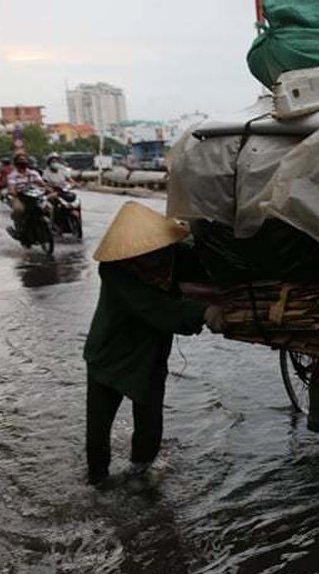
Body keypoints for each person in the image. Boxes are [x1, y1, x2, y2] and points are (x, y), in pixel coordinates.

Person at [83, 202, 225, 487]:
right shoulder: (114, 271)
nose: (152, 262)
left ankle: (140, 470)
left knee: (149, 416)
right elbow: (155, 308)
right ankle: (97, 479)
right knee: (99, 423)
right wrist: (203, 312)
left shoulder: (177, 255)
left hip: (150, 350)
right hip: (109, 352)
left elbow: (209, 270)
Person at [4, 151, 47, 239]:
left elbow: (41, 183)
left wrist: (46, 187)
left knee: (48, 206)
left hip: (34, 196)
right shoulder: (13, 175)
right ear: (16, 162)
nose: (23, 161)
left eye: (24, 159)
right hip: (20, 197)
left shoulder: (33, 173)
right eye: (20, 160)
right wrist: (13, 191)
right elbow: (11, 187)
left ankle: (49, 226)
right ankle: (18, 229)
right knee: (18, 209)